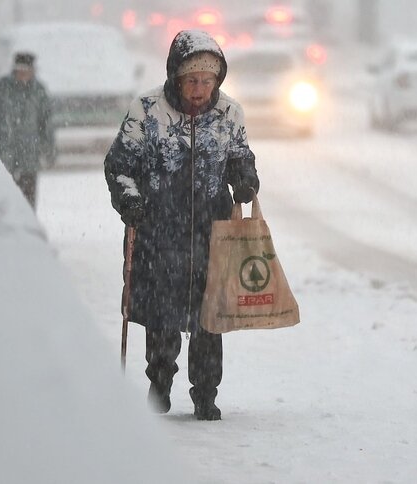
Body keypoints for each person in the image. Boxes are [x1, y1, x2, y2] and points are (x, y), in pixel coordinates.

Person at [103, 30, 259, 420]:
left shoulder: (229, 114)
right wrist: (130, 199)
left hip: (212, 235)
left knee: (210, 320)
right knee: (162, 319)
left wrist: (245, 181)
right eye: (192, 80)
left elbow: (241, 158)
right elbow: (120, 166)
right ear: (175, 76)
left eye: (208, 81)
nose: (199, 89)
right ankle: (159, 386)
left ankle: (206, 394)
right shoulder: (147, 110)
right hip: (158, 234)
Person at [0, 52, 55, 209]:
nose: (22, 75)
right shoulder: (1, 88)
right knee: (3, 203)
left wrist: (49, 150)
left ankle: (26, 230)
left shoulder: (38, 91)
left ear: (33, 71)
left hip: (29, 158)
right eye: (19, 71)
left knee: (27, 202)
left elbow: (46, 123)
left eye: (26, 71)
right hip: (3, 157)